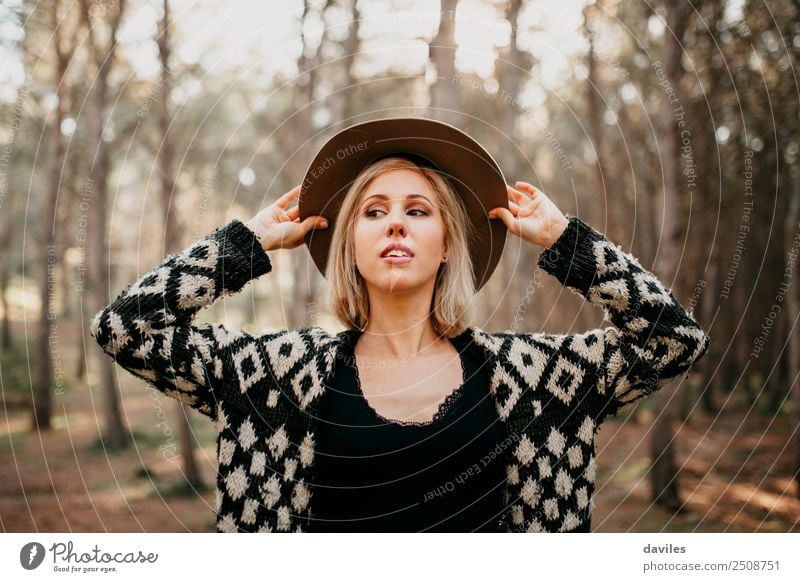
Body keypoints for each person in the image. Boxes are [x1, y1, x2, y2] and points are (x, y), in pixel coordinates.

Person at [91, 117, 710, 533]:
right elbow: (126, 328)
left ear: (447, 245)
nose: (395, 224)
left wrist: (565, 240)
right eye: (373, 212)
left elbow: (672, 340)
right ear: (350, 245)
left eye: (417, 211)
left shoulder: (540, 377)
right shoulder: (273, 376)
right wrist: (244, 244)